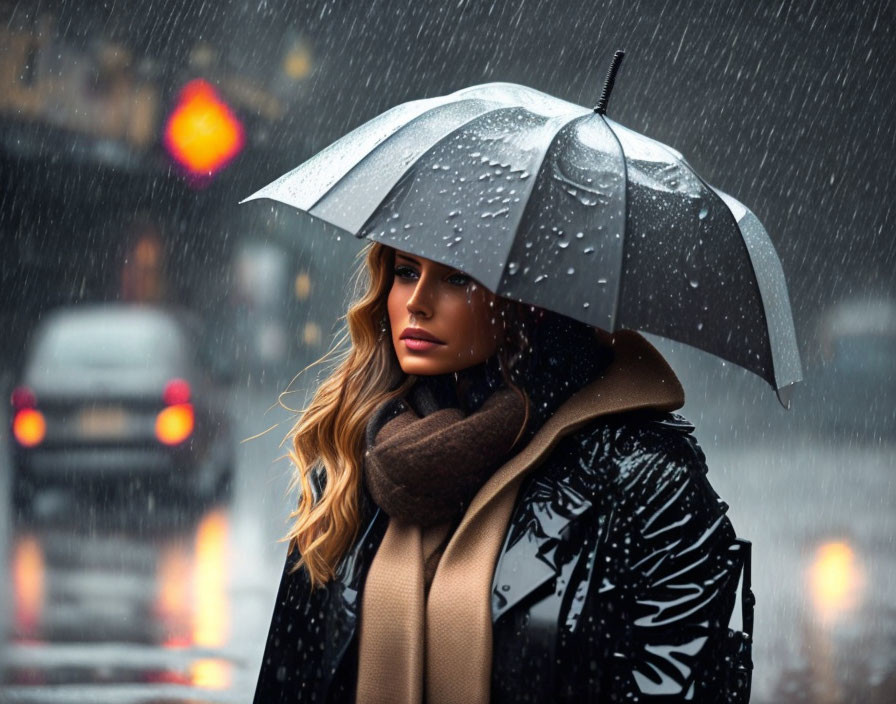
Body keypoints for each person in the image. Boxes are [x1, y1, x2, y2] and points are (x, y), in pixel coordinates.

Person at [253, 241, 752, 703]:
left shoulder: (643, 477)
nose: (417, 302)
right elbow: (290, 680)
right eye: (406, 272)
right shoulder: (352, 461)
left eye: (457, 279)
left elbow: (673, 683)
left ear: (524, 302)